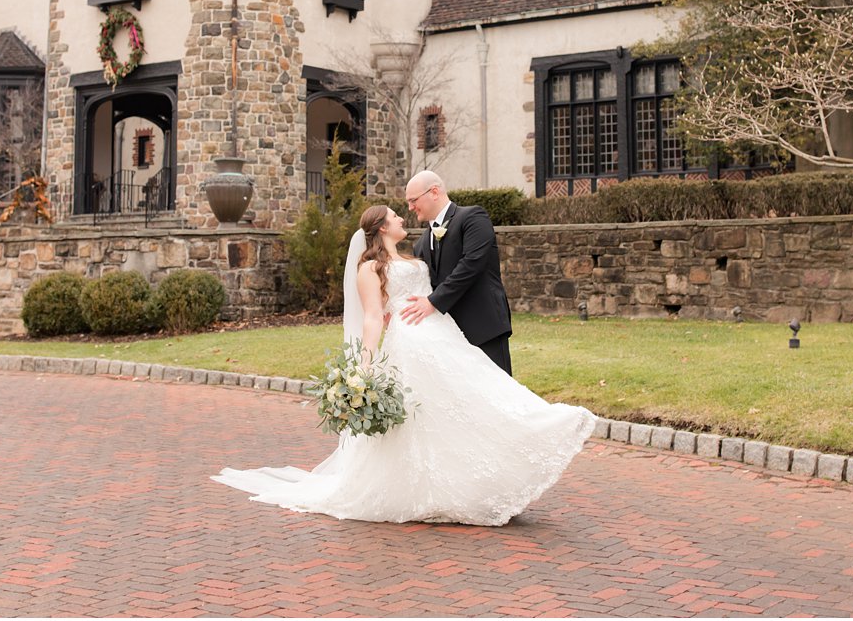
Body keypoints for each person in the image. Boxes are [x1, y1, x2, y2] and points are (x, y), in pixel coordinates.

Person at [213, 204, 595, 526]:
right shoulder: (369, 269)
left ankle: (530, 431)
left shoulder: (415, 255)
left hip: (443, 334)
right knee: (427, 416)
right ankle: (430, 489)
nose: (402, 218)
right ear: (382, 227)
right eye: (395, 216)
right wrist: (364, 364)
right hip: (410, 344)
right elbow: (372, 317)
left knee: (471, 397)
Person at [401, 170, 513, 374]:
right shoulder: (421, 245)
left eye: (413, 200)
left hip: (484, 325)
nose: (410, 207)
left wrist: (433, 301)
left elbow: (471, 264)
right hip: (450, 336)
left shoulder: (472, 217)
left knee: (500, 396)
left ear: (434, 192)